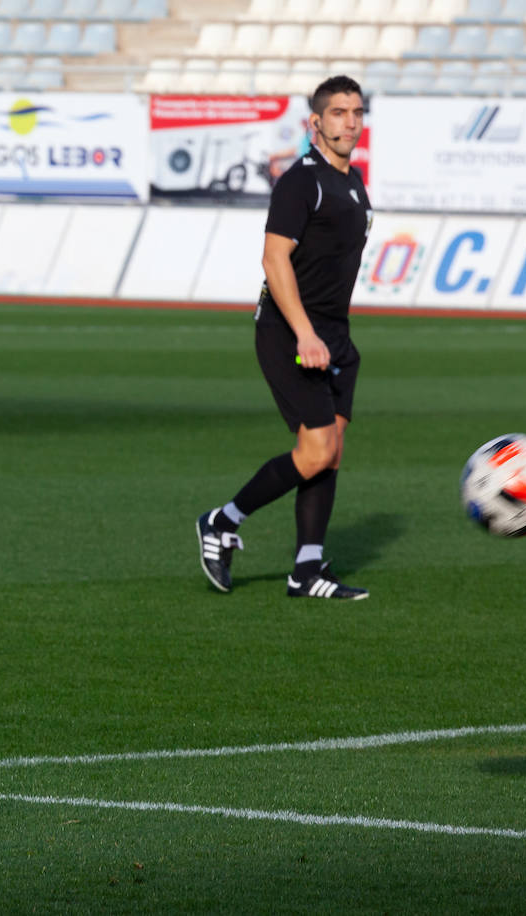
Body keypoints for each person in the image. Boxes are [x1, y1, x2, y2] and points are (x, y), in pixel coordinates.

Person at [196, 75, 372, 601]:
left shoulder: (354, 182)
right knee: (316, 449)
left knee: (330, 450)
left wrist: (330, 335)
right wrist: (304, 333)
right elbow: (274, 259)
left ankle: (307, 569)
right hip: (288, 332)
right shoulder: (303, 180)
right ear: (315, 123)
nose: (350, 121)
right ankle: (222, 521)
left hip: (335, 335)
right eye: (338, 113)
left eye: (357, 112)